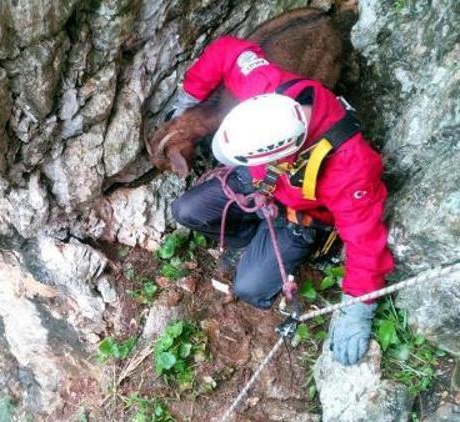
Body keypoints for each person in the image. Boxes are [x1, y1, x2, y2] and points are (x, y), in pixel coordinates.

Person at [166, 36, 394, 366]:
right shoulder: (266, 87)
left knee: (250, 287)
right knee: (186, 210)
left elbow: (365, 242)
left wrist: (358, 307)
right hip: (260, 182)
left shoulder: (350, 167)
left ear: (283, 152)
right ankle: (248, 238)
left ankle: (278, 249)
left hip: (299, 216)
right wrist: (189, 95)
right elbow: (228, 52)